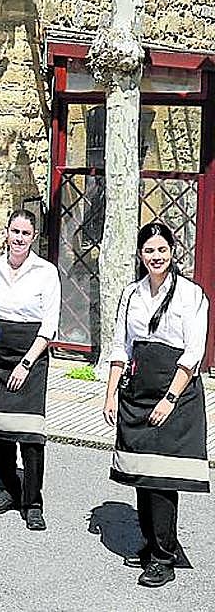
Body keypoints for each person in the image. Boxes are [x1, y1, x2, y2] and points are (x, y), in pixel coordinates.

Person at [103, 222, 209, 589]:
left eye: (161, 250)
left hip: (173, 394)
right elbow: (121, 346)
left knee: (163, 478)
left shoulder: (192, 295)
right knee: (141, 473)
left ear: (173, 251)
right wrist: (111, 393)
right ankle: (155, 543)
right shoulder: (131, 294)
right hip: (137, 391)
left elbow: (194, 353)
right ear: (140, 254)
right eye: (149, 250)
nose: (155, 257)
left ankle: (163, 558)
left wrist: (170, 398)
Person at [0, 209, 60, 531]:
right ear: (6, 232)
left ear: (33, 237)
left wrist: (26, 362)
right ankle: (7, 489)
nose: (19, 238)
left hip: (30, 356)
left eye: (25, 233)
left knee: (30, 435)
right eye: (14, 231)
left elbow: (49, 325)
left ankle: (32, 501)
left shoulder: (45, 272)